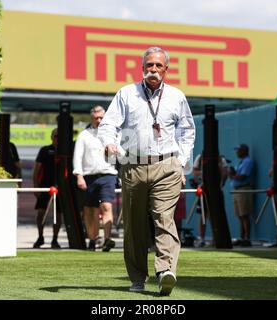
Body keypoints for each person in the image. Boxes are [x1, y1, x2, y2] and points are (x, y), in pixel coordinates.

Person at [98, 47, 195, 296]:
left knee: (164, 219)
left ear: (166, 70)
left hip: (167, 166)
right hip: (133, 166)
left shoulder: (176, 96)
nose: (153, 70)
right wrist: (110, 141)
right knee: (134, 225)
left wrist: (182, 163)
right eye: (149, 65)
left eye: (158, 66)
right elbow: (108, 124)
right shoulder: (127, 94)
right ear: (142, 68)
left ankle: (165, 272)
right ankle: (138, 278)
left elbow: (187, 131)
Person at [73, 105, 118, 252]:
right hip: (89, 176)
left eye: (101, 118)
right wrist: (79, 176)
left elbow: (121, 155)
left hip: (108, 175)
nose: (98, 120)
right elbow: (77, 157)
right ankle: (92, 240)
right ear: (91, 118)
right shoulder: (84, 135)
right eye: (96, 118)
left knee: (106, 206)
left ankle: (106, 239)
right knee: (90, 211)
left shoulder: (114, 135)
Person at [32, 128, 63, 249]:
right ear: (52, 137)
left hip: (60, 188)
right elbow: (36, 170)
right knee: (41, 212)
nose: (58, 139)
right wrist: (36, 187)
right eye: (56, 136)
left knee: (58, 214)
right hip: (45, 186)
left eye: (60, 137)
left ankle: (55, 239)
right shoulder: (44, 150)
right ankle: (40, 237)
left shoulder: (66, 152)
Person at [191, 153, 229, 247]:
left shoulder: (221, 158)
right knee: (203, 214)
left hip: (217, 190)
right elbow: (194, 171)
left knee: (216, 215)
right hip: (204, 190)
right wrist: (205, 173)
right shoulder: (199, 157)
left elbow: (225, 172)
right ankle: (202, 239)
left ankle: (216, 239)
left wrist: (220, 183)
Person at [228, 143, 254, 247]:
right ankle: (242, 237)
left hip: (244, 189)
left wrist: (232, 175)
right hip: (237, 190)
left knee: (244, 214)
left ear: (244, 150)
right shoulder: (241, 162)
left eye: (239, 150)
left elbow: (243, 176)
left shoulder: (248, 162)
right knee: (240, 215)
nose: (237, 152)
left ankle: (247, 238)